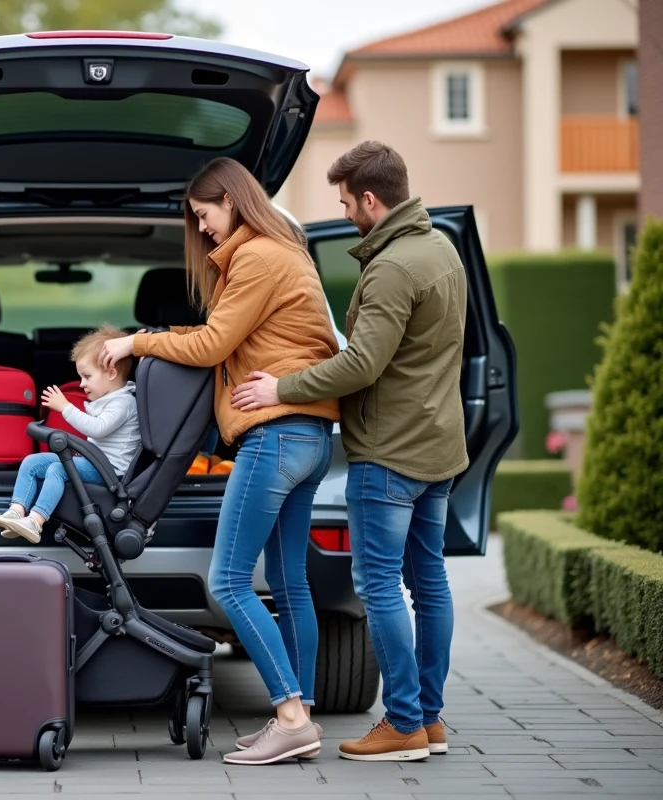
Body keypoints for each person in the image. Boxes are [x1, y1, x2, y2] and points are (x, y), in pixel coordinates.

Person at [230, 140, 467, 762]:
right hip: (439, 446)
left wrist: (282, 386)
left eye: (346, 202)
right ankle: (430, 721)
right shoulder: (443, 248)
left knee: (379, 584)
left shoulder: (392, 267)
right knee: (430, 583)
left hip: (390, 452)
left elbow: (361, 364)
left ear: (370, 199)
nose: (347, 212)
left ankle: (404, 724)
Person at [99, 157, 340, 766]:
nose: (202, 229)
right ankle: (301, 718)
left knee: (229, 581)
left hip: (275, 436)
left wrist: (135, 342)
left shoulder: (257, 256)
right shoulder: (290, 251)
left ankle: (287, 713)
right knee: (289, 583)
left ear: (231, 201)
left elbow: (211, 344)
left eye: (204, 215)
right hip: (311, 435)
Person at [0, 323, 139, 544]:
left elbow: (97, 428)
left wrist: (66, 407)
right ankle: (16, 511)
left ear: (111, 372)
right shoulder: (108, 398)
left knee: (58, 469)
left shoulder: (124, 402)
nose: (82, 384)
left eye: (87, 377)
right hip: (95, 462)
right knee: (33, 462)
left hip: (110, 471)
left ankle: (36, 520)